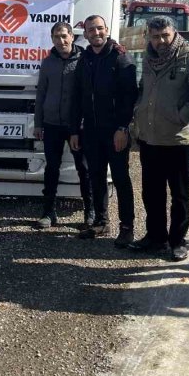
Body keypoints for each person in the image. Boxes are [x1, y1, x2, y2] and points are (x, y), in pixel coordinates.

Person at [129, 15, 189, 261]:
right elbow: (143, 90)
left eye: (165, 36)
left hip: (178, 140)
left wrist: (181, 117)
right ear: (149, 36)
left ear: (174, 33)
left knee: (180, 195)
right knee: (152, 193)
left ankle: (177, 241)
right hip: (150, 138)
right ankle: (155, 237)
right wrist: (138, 114)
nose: (160, 41)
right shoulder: (149, 58)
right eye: (156, 36)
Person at [70, 15, 138, 246]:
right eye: (91, 30)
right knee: (95, 177)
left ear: (107, 30)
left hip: (115, 132)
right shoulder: (84, 59)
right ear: (85, 33)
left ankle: (127, 227)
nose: (96, 33)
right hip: (91, 131)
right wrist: (74, 130)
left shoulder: (120, 57)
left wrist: (123, 128)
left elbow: (130, 97)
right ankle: (101, 222)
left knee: (120, 179)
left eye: (99, 28)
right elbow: (77, 98)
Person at [32, 22, 92, 229]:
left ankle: (90, 212)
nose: (61, 41)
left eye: (64, 36)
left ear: (72, 37)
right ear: (52, 39)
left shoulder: (84, 60)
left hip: (78, 126)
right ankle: (48, 212)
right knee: (52, 168)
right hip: (51, 125)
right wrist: (38, 123)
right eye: (57, 37)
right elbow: (41, 94)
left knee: (84, 168)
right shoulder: (48, 63)